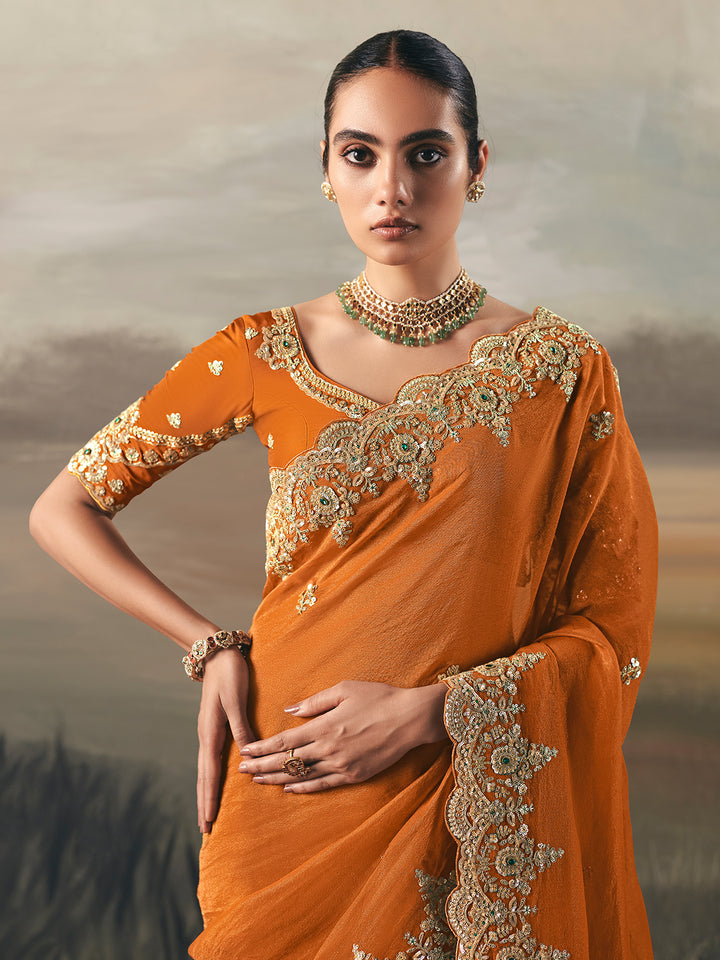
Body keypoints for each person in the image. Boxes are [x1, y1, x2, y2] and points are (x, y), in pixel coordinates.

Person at [29, 29, 658, 960]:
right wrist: (207, 646)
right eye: (359, 155)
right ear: (326, 169)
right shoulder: (260, 349)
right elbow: (63, 509)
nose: (391, 189)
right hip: (291, 791)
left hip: (459, 799)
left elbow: (612, 629)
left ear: (476, 165)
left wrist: (439, 709)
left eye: (426, 154)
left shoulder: (559, 374)